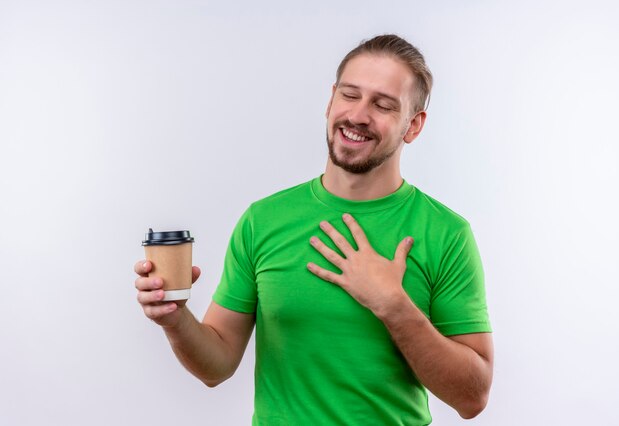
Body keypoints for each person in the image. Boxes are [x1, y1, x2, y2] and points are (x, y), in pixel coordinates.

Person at [134, 34, 493, 425]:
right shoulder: (263, 220)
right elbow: (216, 365)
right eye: (349, 95)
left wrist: (394, 306)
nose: (358, 115)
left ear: (413, 125)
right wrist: (176, 320)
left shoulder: (447, 234)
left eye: (383, 104)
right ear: (330, 100)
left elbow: (472, 398)